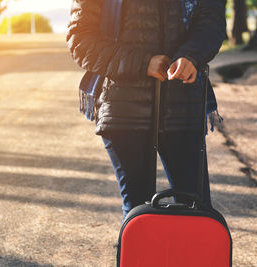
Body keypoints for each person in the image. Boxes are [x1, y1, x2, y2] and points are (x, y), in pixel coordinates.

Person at [66, 0, 227, 221]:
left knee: (196, 211)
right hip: (124, 110)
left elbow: (212, 21)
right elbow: (81, 39)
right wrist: (143, 63)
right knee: (138, 215)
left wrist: (191, 56)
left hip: (184, 106)